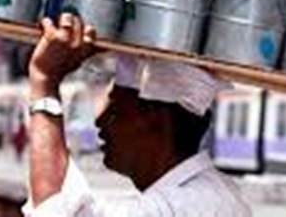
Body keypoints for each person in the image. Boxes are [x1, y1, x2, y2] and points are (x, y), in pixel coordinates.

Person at [22, 12, 252, 216]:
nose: (100, 120)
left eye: (116, 109)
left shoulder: (190, 204)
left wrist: (45, 81)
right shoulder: (209, 195)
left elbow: (56, 211)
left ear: (154, 117)